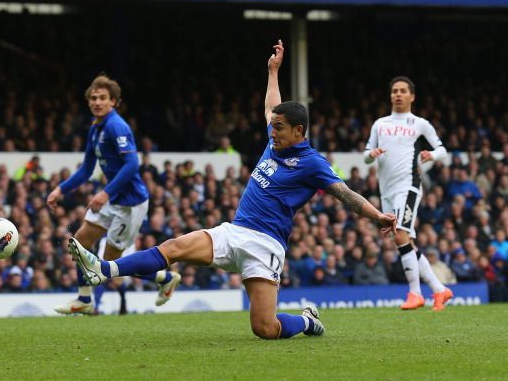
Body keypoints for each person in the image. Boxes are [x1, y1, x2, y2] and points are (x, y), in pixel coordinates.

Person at [67, 40, 396, 339]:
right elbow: (272, 106)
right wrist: (273, 72)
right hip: (235, 231)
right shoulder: (275, 140)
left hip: (265, 245)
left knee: (265, 329)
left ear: (299, 131)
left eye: (279, 129)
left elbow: (346, 195)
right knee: (175, 247)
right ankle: (104, 269)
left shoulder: (312, 162)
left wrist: (377, 215)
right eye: (272, 127)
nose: (272, 132)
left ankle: (308, 321)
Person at [47, 74, 180, 315]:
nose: (97, 102)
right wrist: (60, 189)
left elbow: (132, 165)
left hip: (130, 204)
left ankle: (164, 278)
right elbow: (87, 169)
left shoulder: (116, 126)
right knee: (80, 241)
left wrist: (105, 193)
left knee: (109, 266)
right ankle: (84, 299)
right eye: (93, 98)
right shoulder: (95, 128)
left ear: (114, 102)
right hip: (114, 199)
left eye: (103, 98)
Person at [364, 76, 454, 311]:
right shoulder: (380, 124)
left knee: (401, 234)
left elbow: (443, 150)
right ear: (390, 95)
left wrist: (430, 156)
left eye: (403, 91)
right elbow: (365, 155)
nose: (398, 94)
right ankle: (440, 290)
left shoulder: (419, 123)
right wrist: (371, 154)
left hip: (408, 185)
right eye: (394, 91)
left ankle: (415, 293)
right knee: (404, 241)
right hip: (387, 190)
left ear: (412, 96)